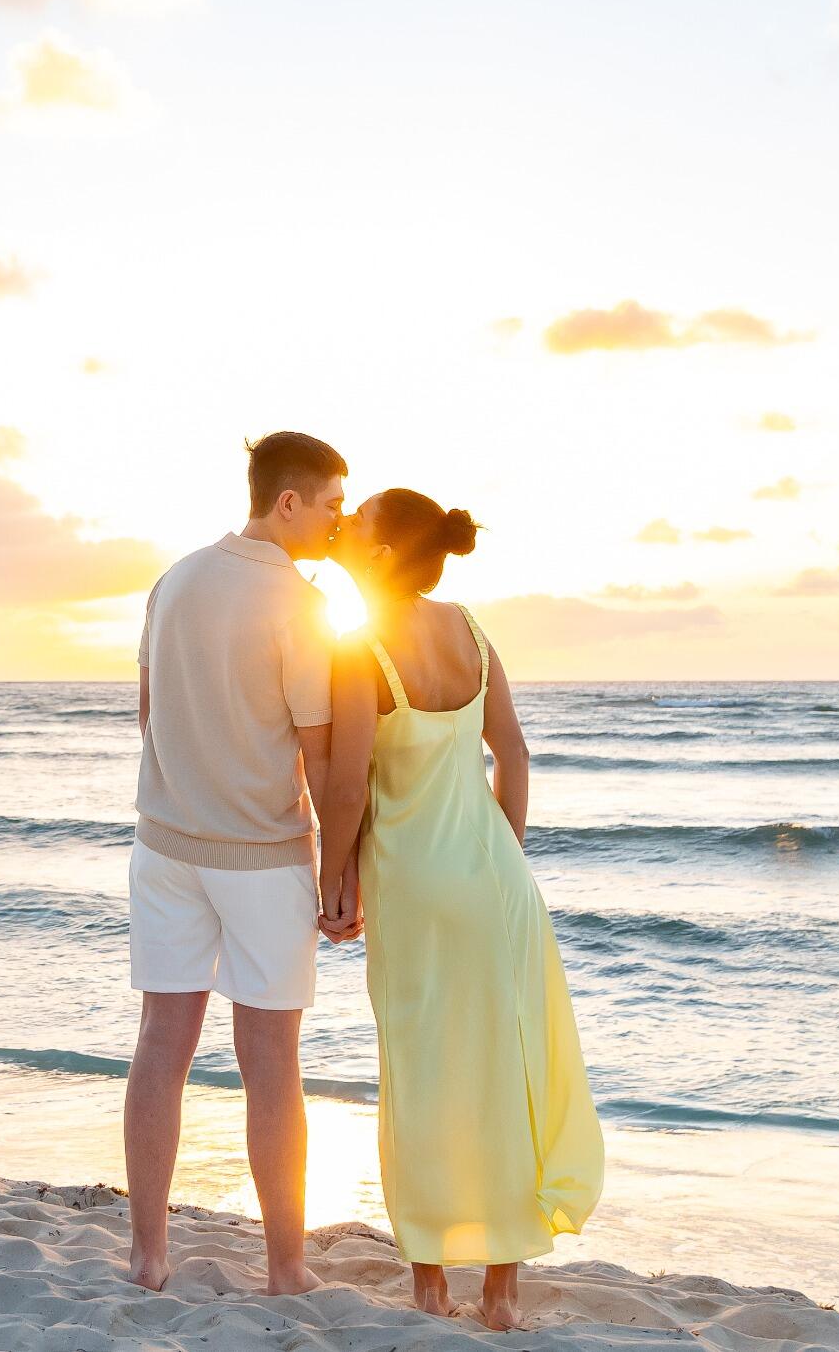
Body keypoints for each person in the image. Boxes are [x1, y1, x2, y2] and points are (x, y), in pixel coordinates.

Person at [314, 489, 605, 1330]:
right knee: (504, 1072)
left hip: (416, 886)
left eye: (360, 518)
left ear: (380, 552)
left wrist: (334, 879)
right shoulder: (471, 630)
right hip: (496, 883)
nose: (349, 524)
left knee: (424, 1076)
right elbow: (511, 751)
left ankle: (432, 1284)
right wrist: (504, 852)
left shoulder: (360, 645)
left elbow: (344, 784)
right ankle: (503, 1290)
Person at [123, 430, 348, 1296]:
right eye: (330, 504)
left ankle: (148, 1257)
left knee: (161, 1044)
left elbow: (148, 712)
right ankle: (286, 1270)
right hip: (261, 856)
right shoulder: (300, 603)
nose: (339, 521)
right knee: (270, 1063)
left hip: (165, 847)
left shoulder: (172, 578)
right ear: (285, 502)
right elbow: (320, 756)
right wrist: (338, 868)